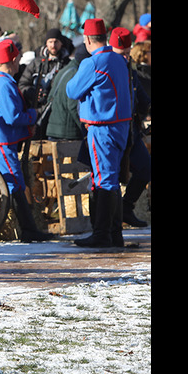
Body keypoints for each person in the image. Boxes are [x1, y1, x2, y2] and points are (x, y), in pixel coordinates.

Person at [0, 39, 55, 243]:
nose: (20, 61)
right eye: (17, 57)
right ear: (11, 60)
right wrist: (32, 115)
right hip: (0, 143)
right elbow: (12, 117)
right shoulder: (3, 85)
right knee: (16, 184)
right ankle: (29, 230)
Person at [66, 19, 132, 248]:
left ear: (86, 39)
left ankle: (102, 233)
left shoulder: (92, 62)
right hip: (121, 126)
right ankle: (115, 233)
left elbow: (71, 90)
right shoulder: (118, 58)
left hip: (102, 127)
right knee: (111, 179)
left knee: (105, 180)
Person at [110, 28, 152, 228]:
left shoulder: (131, 72)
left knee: (146, 168)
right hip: (111, 131)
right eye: (121, 53)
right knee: (108, 179)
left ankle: (127, 207)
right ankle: (108, 222)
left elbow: (144, 101)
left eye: (127, 53)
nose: (125, 57)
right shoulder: (106, 68)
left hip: (131, 131)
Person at [18, 28, 71, 128]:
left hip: (58, 115)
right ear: (46, 43)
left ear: (61, 43)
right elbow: (22, 84)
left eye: (56, 42)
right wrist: (34, 93)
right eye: (50, 42)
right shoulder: (36, 63)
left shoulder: (67, 65)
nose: (53, 45)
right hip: (36, 113)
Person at [45, 45, 90, 141]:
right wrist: (85, 129)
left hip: (54, 129)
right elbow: (73, 106)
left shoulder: (64, 71)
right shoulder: (76, 74)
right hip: (68, 133)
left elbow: (50, 97)